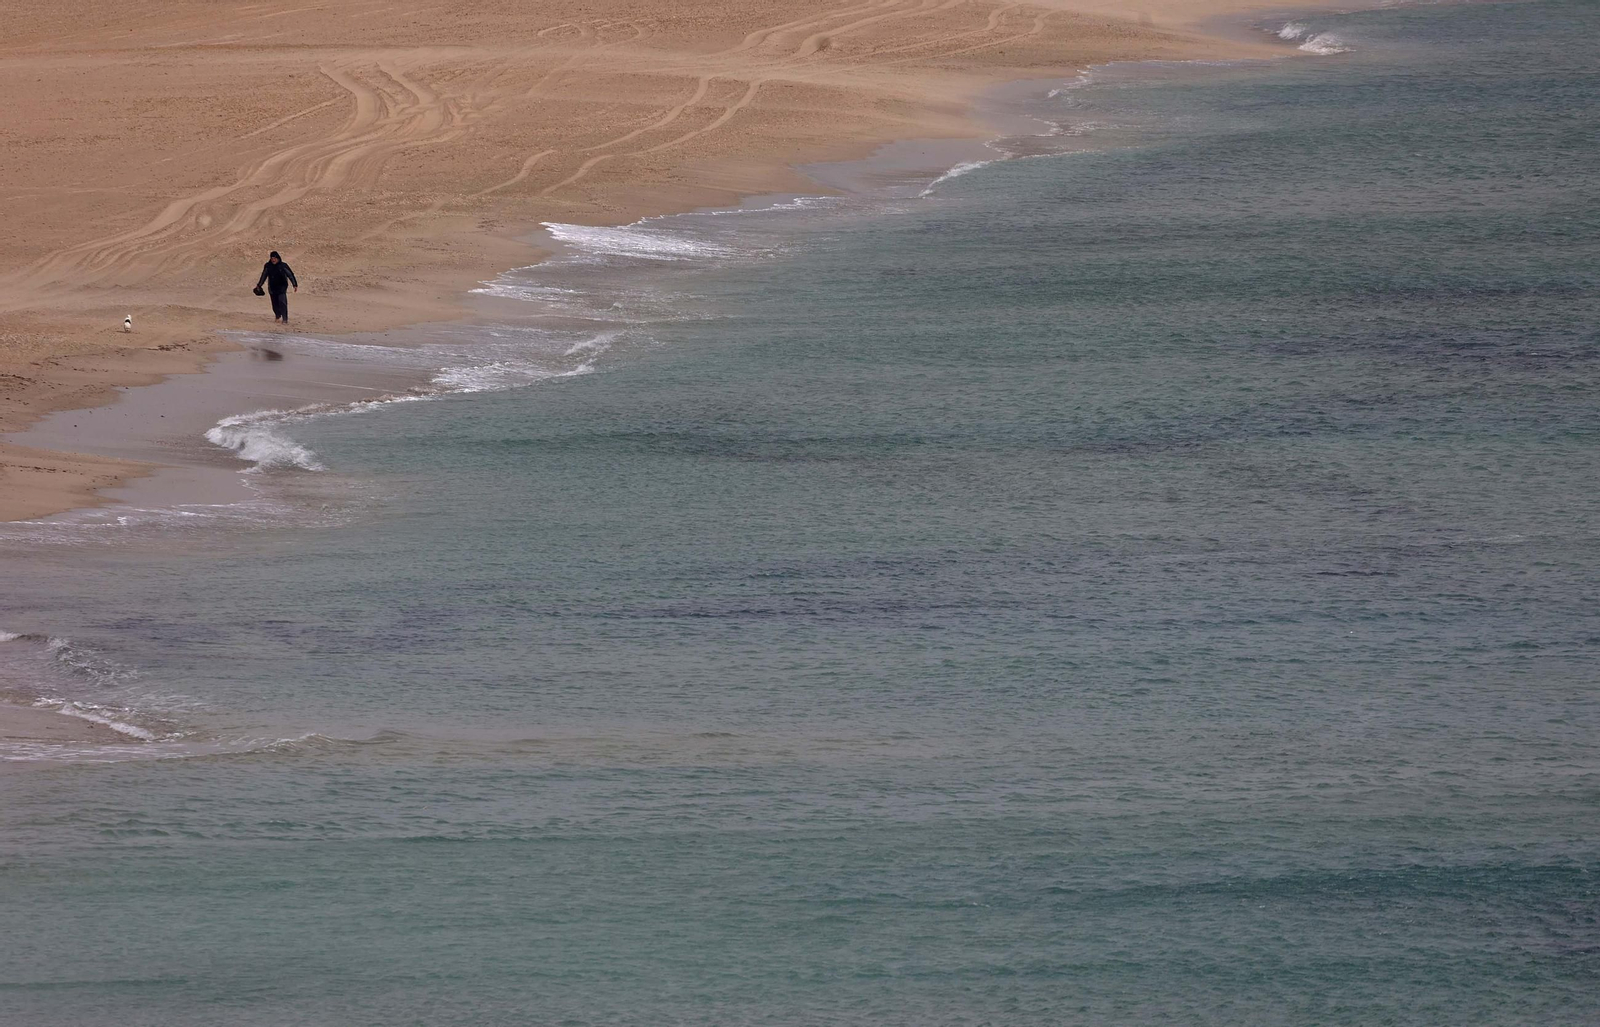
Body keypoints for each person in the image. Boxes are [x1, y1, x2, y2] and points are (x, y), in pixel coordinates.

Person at [254, 251, 299, 323]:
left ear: (278, 258)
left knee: (282, 302)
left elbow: (290, 275)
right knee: (274, 304)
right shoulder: (268, 266)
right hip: (272, 287)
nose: (273, 260)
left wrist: (295, 284)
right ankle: (277, 316)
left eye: (275, 258)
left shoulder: (283, 266)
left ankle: (285, 319)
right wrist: (259, 285)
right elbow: (264, 276)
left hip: (282, 286)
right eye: (272, 258)